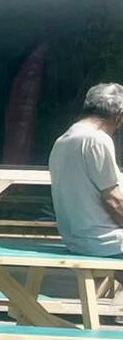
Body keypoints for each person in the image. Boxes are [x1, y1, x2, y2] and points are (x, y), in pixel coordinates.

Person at [48, 83, 123, 258]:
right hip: (105, 242)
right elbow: (114, 200)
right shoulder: (97, 139)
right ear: (119, 115)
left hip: (76, 240)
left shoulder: (62, 141)